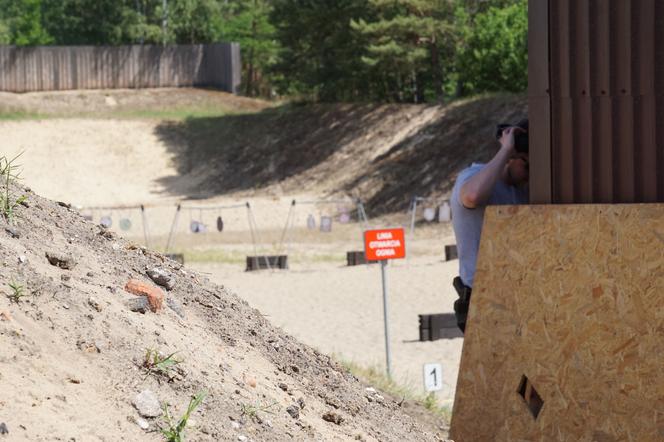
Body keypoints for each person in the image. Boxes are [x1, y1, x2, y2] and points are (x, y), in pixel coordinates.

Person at [450, 119, 530, 333]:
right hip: (481, 297)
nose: (530, 174)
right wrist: (506, 149)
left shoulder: (521, 191)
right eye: (527, 164)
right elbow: (472, 196)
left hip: (514, 295)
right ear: (511, 159)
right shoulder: (472, 177)